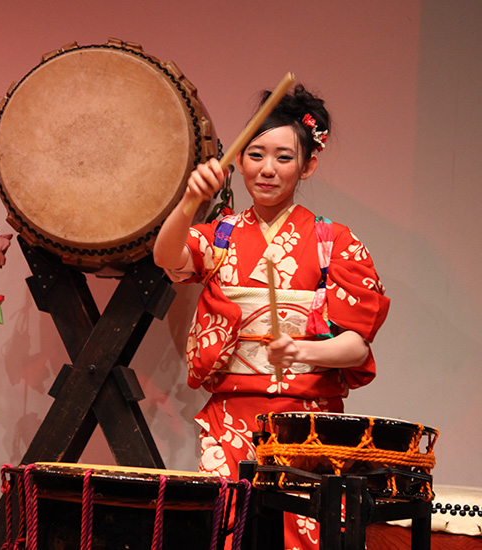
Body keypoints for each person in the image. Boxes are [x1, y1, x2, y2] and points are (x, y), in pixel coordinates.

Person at [153, 84, 390, 549]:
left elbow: (356, 344)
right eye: (256, 155)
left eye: (284, 158)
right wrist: (188, 202)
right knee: (226, 537)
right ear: (239, 162)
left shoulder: (333, 241)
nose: (267, 169)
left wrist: (300, 350)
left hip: (308, 426)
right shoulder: (221, 235)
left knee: (305, 540)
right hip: (230, 418)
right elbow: (167, 257)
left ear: (308, 165)